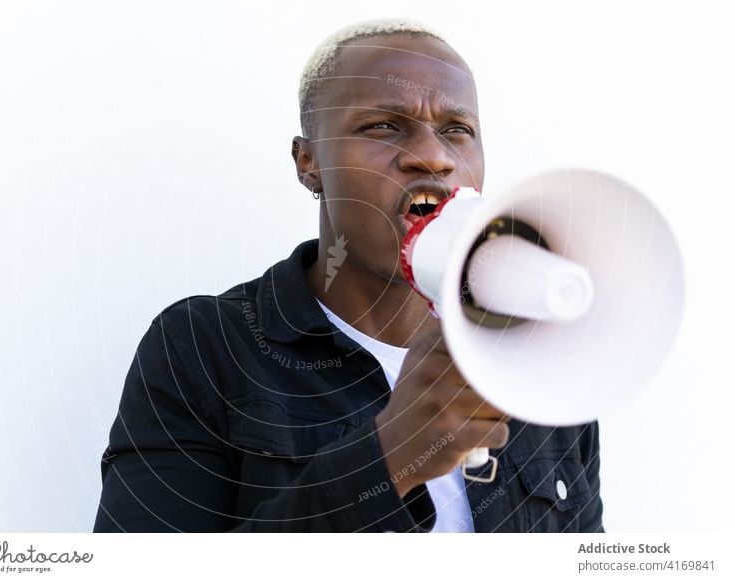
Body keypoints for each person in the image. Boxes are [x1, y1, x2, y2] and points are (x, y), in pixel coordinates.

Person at [93, 18, 603, 533]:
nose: (433, 155)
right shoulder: (206, 348)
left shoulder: (536, 362)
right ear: (308, 161)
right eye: (383, 126)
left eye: (457, 130)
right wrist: (387, 456)